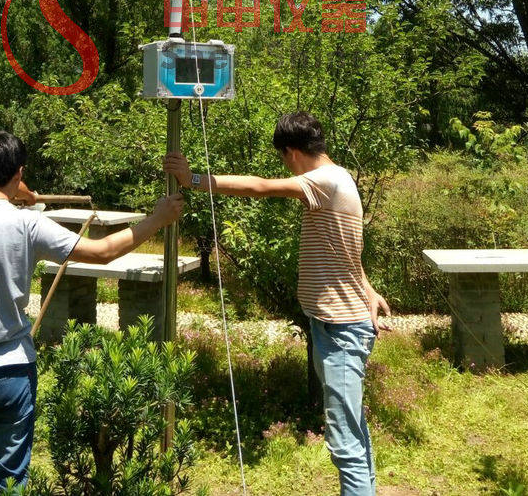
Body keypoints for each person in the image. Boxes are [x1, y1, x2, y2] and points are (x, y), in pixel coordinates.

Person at [0, 130, 183, 496]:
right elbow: (102, 251)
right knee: (7, 485)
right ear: (19, 173)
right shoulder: (27, 224)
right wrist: (157, 219)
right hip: (9, 374)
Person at [163, 110, 390, 496]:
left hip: (340, 331)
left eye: (283, 158)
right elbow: (347, 251)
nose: (285, 167)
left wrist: (193, 180)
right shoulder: (341, 177)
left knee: (345, 444)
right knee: (354, 431)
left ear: (292, 152)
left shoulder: (322, 180)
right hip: (338, 325)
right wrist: (367, 289)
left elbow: (259, 187)